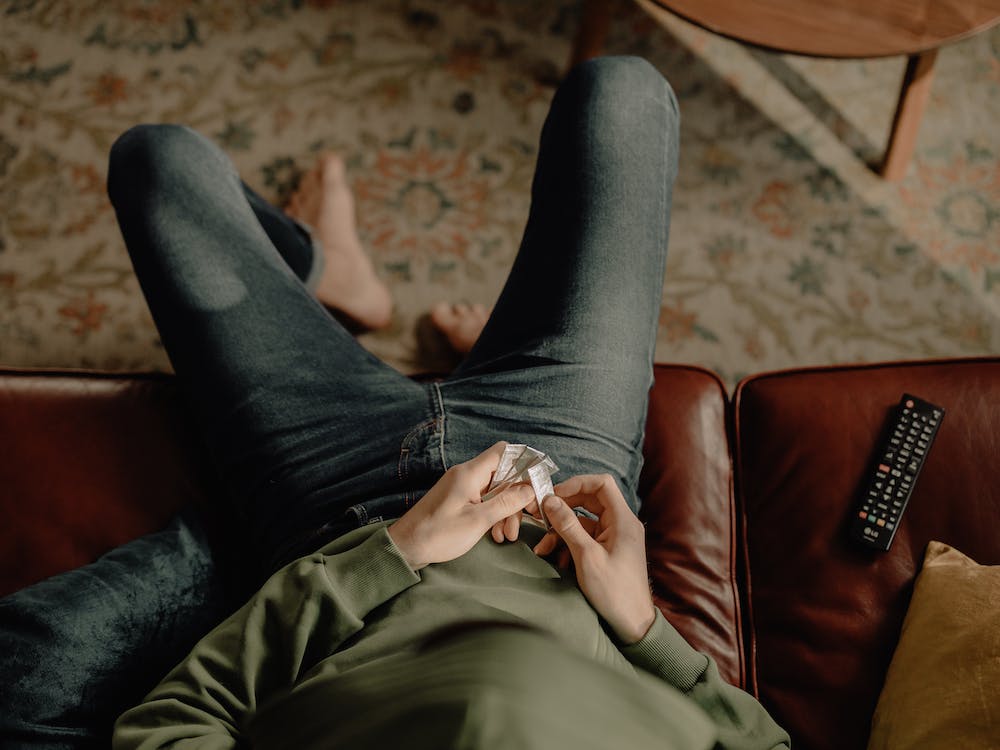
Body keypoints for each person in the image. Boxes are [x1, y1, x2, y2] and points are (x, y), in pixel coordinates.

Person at [106, 56, 790, 749]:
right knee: (624, 93)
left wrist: (391, 552)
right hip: (555, 494)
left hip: (333, 509)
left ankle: (328, 273)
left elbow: (165, 728)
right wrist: (643, 626)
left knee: (157, 163)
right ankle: (465, 339)